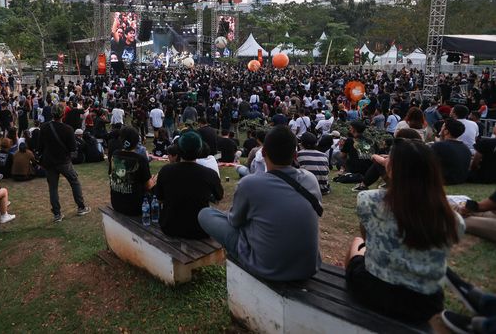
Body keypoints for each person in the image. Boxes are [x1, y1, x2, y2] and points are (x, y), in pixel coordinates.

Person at [344, 138, 464, 324]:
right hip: (426, 305)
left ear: (391, 168)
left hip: (373, 291)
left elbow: (367, 239)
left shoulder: (368, 200)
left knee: (357, 243)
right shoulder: (452, 220)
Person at [199, 125, 322, 281]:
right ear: (295, 155)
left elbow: (235, 222)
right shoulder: (310, 179)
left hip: (267, 267)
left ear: (263, 152)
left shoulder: (250, 183)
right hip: (308, 266)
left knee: (205, 214)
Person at [154, 131, 224, 239]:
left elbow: (160, 199)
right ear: (200, 150)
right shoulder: (210, 174)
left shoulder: (166, 170)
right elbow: (219, 197)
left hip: (170, 226)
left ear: (179, 150)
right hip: (200, 229)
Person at [38, 103, 91, 222]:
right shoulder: (67, 129)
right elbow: (73, 148)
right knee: (74, 182)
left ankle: (57, 214)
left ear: (52, 114)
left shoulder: (44, 127)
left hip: (49, 161)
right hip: (63, 161)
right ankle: (81, 207)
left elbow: (40, 146)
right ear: (63, 114)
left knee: (53, 188)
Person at [109, 127, 154, 216]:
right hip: (135, 207)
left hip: (116, 203)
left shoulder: (115, 155)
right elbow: (148, 186)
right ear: (137, 141)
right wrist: (153, 181)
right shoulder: (140, 159)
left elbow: (111, 175)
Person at [431, 119, 472, 185]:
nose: (441, 130)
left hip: (444, 180)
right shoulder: (465, 148)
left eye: (442, 127)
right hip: (460, 179)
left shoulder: (439, 146)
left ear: (446, 131)